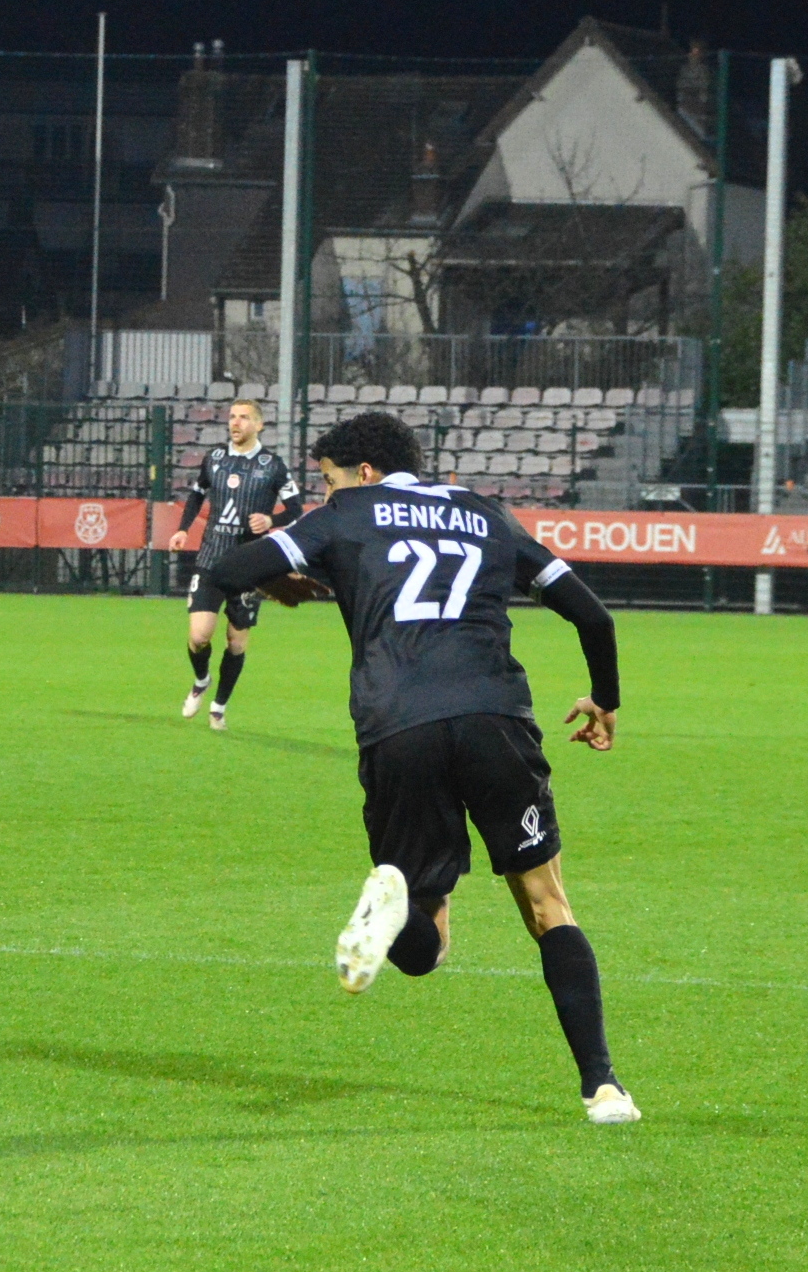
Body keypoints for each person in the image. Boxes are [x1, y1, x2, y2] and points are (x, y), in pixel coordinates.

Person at [205, 411, 640, 1126]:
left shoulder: (346, 514)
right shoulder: (485, 512)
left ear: (363, 472)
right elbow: (594, 617)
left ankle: (397, 903)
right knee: (546, 904)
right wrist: (605, 701)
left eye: (328, 479)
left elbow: (229, 571)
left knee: (424, 945)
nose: (325, 491)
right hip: (493, 718)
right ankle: (603, 1087)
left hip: (397, 726)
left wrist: (300, 584)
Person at [166, 399, 304, 730]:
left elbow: (296, 509)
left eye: (244, 417)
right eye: (232, 417)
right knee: (199, 635)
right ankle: (201, 680)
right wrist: (183, 529)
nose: (235, 423)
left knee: (236, 642)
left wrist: (271, 519)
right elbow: (197, 495)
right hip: (211, 559)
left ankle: (218, 707)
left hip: (248, 567)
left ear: (259, 425)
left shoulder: (273, 466)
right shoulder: (214, 458)